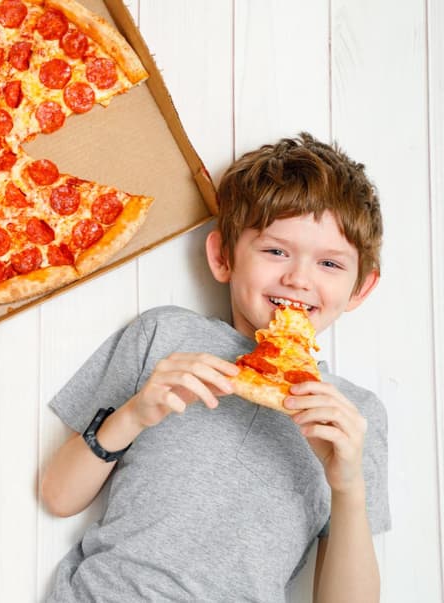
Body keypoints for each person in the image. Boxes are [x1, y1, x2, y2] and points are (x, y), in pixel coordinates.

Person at [39, 132, 388, 602]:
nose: (298, 278)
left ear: (360, 288)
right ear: (223, 256)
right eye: (276, 251)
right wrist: (134, 414)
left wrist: (347, 488)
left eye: (329, 263)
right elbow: (58, 496)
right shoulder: (164, 337)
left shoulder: (354, 417)